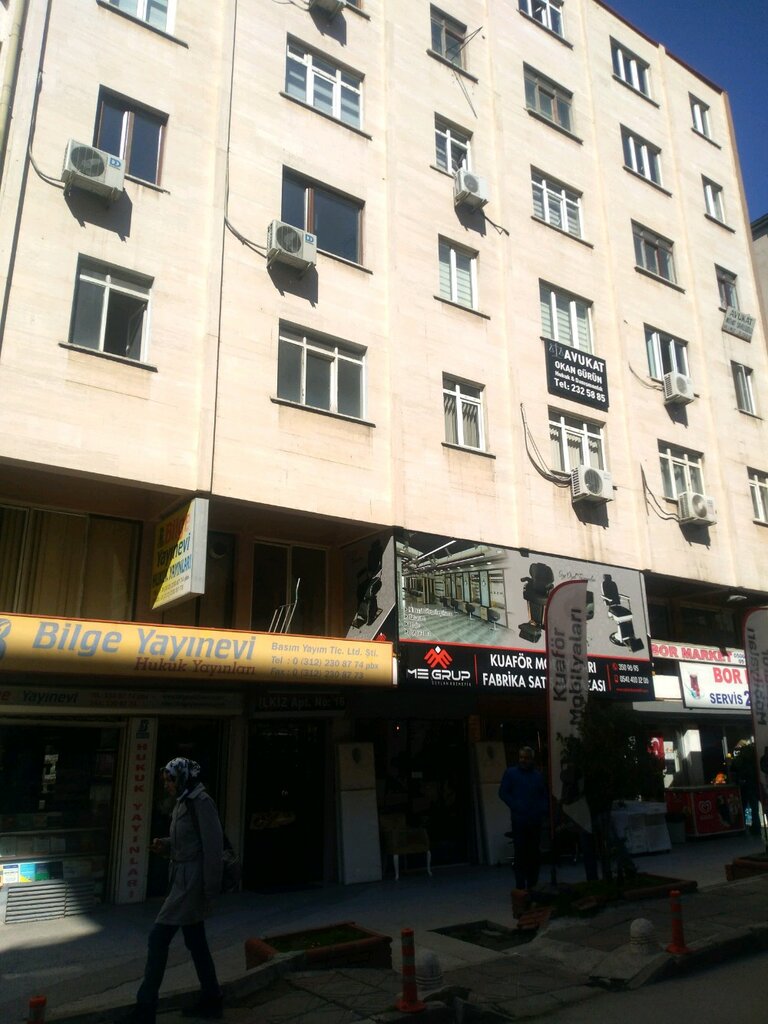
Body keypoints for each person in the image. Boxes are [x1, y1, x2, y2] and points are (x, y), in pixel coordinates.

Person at [125, 758, 224, 1024]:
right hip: (181, 880)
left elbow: (213, 847)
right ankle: (212, 999)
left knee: (158, 938)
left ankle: (145, 1008)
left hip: (191, 884)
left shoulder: (201, 803)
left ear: (182, 777)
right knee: (196, 942)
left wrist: (210, 889)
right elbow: (186, 840)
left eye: (170, 779)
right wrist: (167, 845)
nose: (167, 785)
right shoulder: (183, 801)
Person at [498, 746, 548, 891]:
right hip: (519, 820)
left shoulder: (537, 776)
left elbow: (543, 794)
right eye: (521, 757)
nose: (523, 760)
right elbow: (503, 793)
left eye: (526, 758)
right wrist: (516, 805)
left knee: (534, 852)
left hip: (534, 819)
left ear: (532, 759)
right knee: (520, 852)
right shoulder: (511, 773)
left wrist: (542, 809)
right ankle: (520, 885)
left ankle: (533, 884)